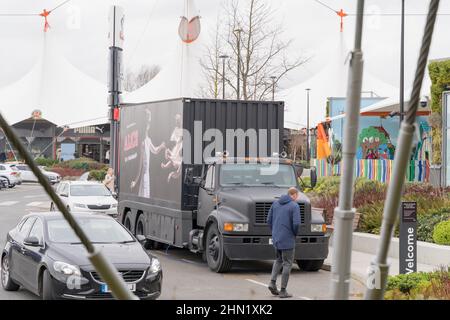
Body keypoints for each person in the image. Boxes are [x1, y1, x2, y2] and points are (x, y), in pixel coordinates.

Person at [267, 187, 301, 298]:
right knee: (287, 263)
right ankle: (283, 290)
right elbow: (296, 223)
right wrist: (294, 234)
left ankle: (272, 282)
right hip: (288, 239)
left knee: (278, 259)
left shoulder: (275, 203)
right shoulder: (294, 206)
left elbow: (268, 220)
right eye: (297, 196)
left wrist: (275, 232)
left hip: (276, 238)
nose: (297, 198)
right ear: (294, 195)